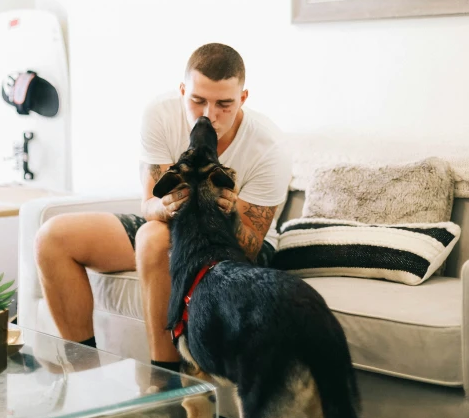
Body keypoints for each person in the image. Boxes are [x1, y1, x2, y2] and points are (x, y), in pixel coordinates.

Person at [35, 43, 292, 375]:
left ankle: (163, 382)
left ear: (242, 98)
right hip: (177, 226)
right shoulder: (160, 114)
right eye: (197, 100)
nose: (208, 115)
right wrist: (165, 206)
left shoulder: (269, 149)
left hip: (230, 242)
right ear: (183, 91)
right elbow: (149, 205)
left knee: (152, 239)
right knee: (52, 238)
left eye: (224, 104)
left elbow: (253, 243)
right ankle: (86, 382)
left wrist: (228, 214)